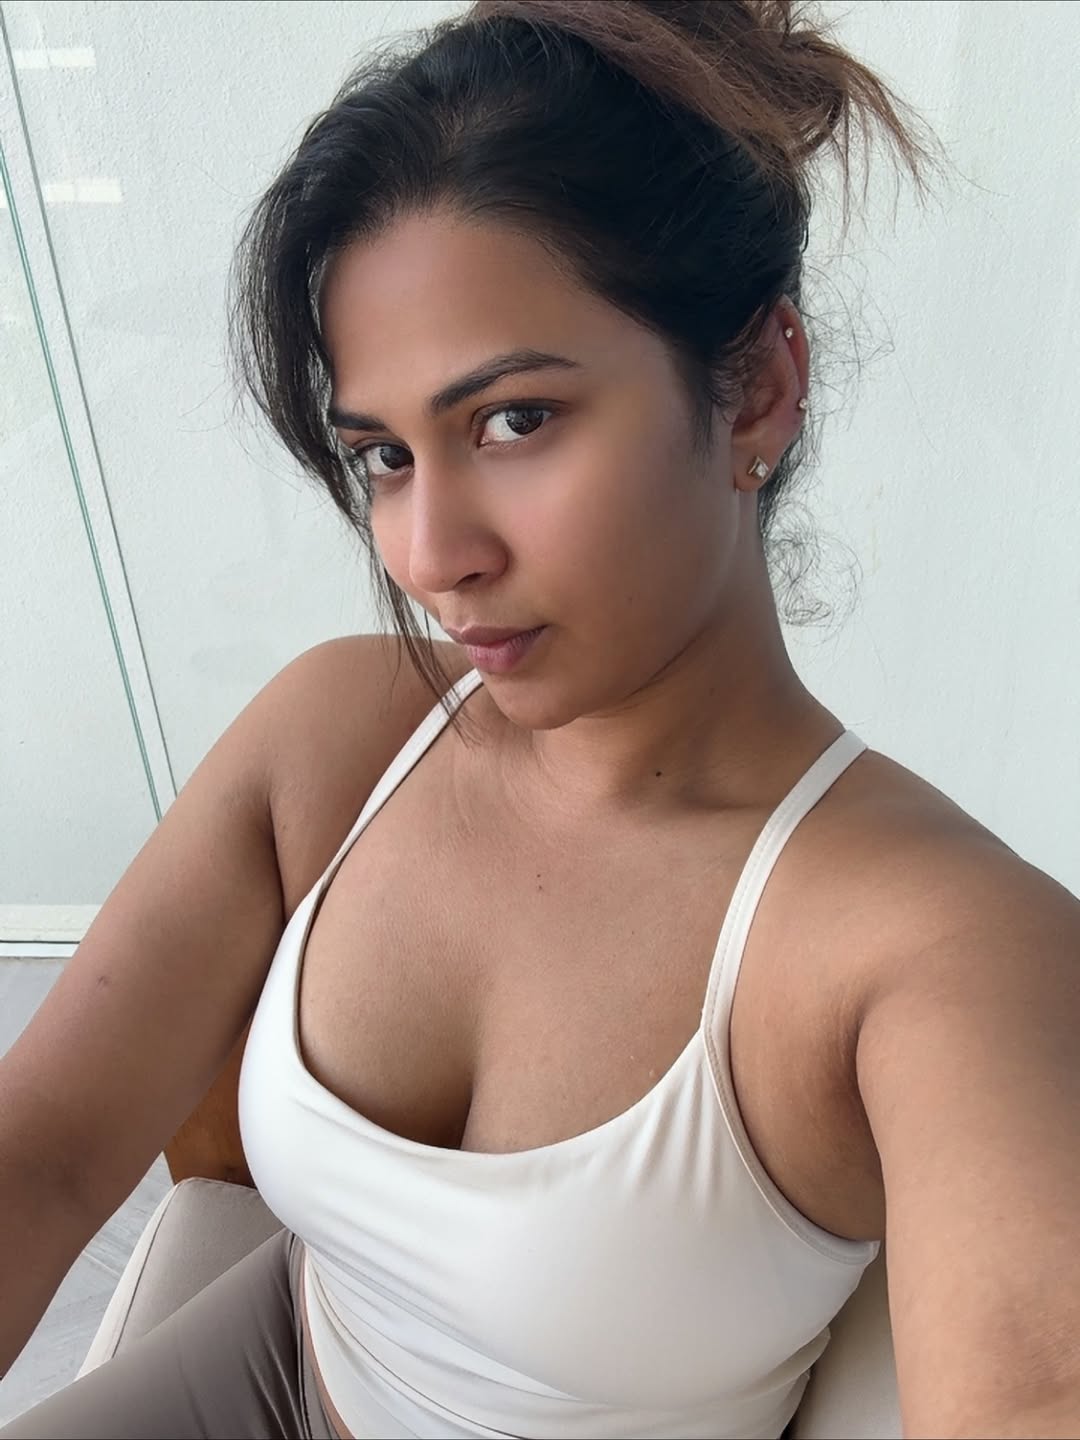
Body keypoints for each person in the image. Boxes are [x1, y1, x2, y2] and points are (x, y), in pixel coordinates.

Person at [2, 1, 1079, 1436]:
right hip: (269, 1363)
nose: (429, 552)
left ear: (758, 388)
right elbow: (45, 1155)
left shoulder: (936, 946)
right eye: (383, 455)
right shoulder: (342, 736)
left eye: (514, 420)